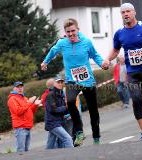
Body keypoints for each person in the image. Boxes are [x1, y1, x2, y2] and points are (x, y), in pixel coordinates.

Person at [102, 3, 142, 140]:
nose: (125, 14)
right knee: (136, 99)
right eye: (123, 12)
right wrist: (108, 59)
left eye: (128, 11)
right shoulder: (119, 33)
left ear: (134, 12)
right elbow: (115, 50)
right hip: (131, 72)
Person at [41, 18, 106, 146]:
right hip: (72, 80)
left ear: (78, 29)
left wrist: (102, 63)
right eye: (68, 32)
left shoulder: (86, 42)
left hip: (88, 81)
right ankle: (79, 132)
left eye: (73, 31)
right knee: (70, 102)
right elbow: (53, 51)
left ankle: (96, 137)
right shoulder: (62, 43)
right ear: (65, 32)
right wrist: (45, 62)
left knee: (93, 110)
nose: (70, 34)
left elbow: (95, 55)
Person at [7, 81, 41, 152]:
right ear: (14, 88)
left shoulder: (24, 98)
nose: (20, 88)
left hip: (27, 127)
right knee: (21, 150)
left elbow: (30, 111)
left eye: (21, 87)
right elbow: (18, 111)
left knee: (25, 150)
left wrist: (35, 104)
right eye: (18, 87)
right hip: (20, 127)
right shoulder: (12, 99)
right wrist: (29, 102)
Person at [44, 77, 73, 149]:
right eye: (58, 82)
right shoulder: (50, 95)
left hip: (60, 122)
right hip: (53, 123)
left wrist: (71, 110)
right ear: (54, 84)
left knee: (51, 145)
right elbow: (54, 110)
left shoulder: (61, 94)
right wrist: (66, 107)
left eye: (61, 82)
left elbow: (64, 110)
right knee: (67, 139)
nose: (60, 84)